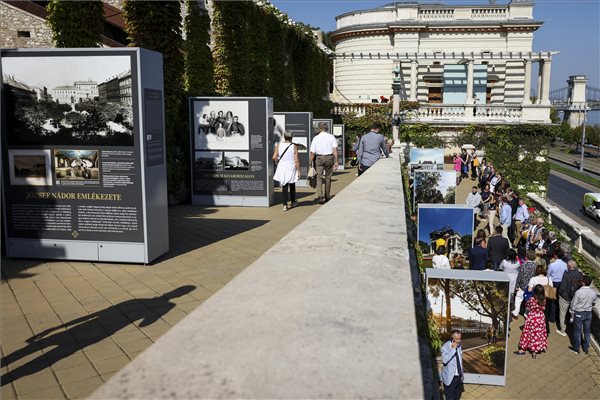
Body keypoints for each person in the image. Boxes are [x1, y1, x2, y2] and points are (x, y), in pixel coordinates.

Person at [309, 122, 338, 204]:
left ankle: (320, 197)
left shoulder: (316, 138)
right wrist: (336, 161)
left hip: (319, 158)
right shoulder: (331, 137)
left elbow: (312, 152)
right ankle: (327, 196)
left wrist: (310, 162)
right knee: (328, 178)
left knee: (319, 177)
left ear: (319, 128)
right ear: (327, 128)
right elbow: (335, 150)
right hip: (329, 157)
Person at [516, 284, 548, 358]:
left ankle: (523, 349)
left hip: (532, 318)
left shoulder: (532, 300)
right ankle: (534, 352)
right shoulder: (544, 300)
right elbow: (543, 307)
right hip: (540, 318)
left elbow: (527, 306)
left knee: (528, 333)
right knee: (537, 334)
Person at [273, 131, 301, 211]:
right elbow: (296, 160)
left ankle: (284, 205)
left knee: (284, 186)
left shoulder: (279, 145)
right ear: (291, 137)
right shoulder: (294, 146)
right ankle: (293, 202)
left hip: (282, 167)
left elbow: (274, 157)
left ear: (284, 137)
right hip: (291, 166)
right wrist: (299, 171)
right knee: (292, 185)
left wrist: (278, 161)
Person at [569, 276, 597, 355]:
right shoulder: (593, 292)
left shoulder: (578, 292)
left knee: (577, 332)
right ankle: (586, 348)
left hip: (579, 313)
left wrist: (571, 311)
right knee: (587, 331)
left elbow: (573, 304)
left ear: (583, 282)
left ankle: (576, 348)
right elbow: (594, 302)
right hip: (588, 313)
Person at [556, 260, 583, 337]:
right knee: (573, 314)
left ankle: (563, 330)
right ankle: (572, 328)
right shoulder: (580, 275)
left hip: (565, 298)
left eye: (567, 266)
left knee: (562, 314)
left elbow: (562, 287)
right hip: (575, 298)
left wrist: (560, 294)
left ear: (570, 267)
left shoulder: (566, 274)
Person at [512, 250, 538, 318]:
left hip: (522, 286)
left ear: (527, 257)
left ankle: (515, 313)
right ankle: (527, 314)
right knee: (529, 301)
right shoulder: (536, 266)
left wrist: (517, 286)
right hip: (531, 287)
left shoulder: (523, 265)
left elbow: (519, 276)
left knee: (518, 299)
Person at [441, 329, 464, 400]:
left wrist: (462, 374)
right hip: (450, 378)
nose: (459, 340)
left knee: (457, 397)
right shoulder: (445, 346)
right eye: (457, 339)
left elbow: (459, 361)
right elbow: (444, 360)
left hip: (459, 377)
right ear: (452, 337)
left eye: (460, 338)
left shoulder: (459, 345)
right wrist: (453, 349)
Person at [546, 249, 567, 324]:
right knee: (558, 301)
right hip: (561, 284)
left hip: (553, 283)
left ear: (556, 255)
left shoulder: (552, 265)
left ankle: (551, 317)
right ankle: (556, 317)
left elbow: (548, 275)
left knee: (552, 301)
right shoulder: (565, 265)